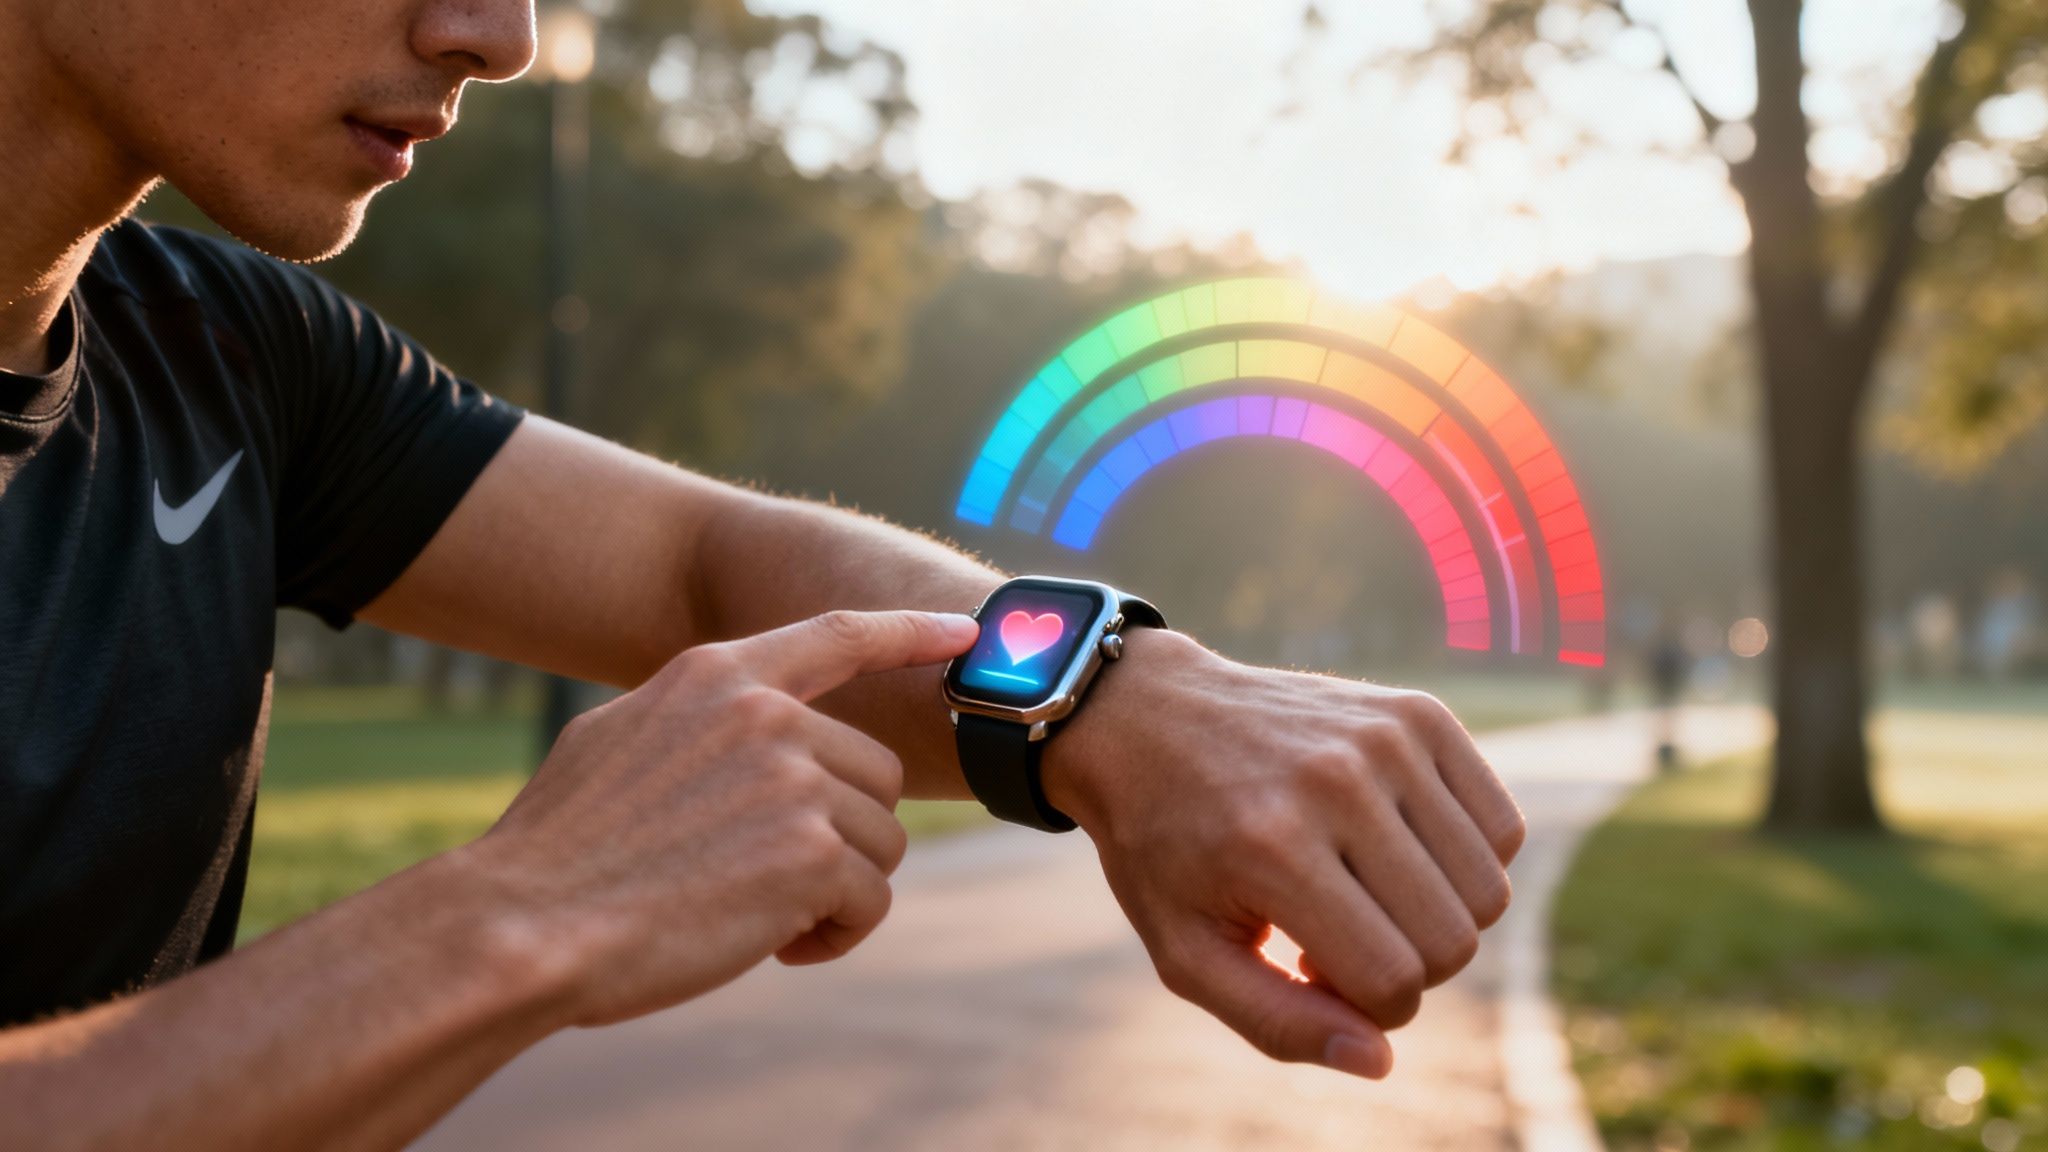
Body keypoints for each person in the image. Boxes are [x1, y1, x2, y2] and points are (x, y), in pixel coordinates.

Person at [0, 1, 1527, 1147]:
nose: (498, 34)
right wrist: (517, 917)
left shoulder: (225, 347)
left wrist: (1113, 698)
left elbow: (698, 563)